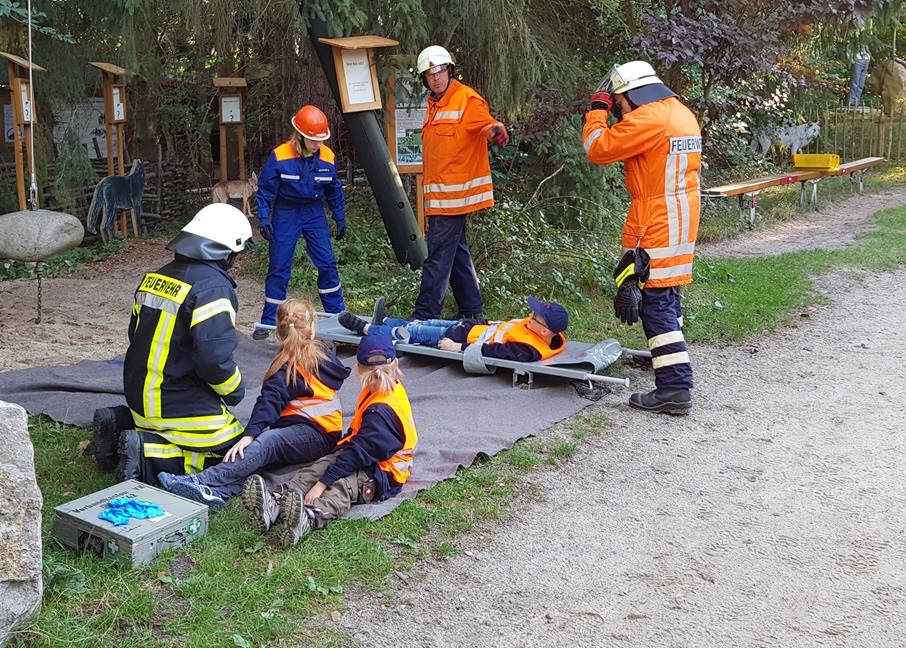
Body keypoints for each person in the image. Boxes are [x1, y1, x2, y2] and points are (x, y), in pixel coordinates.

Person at [90, 203, 255, 483]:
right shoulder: (213, 289)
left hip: (140, 396)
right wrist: (235, 392)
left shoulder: (155, 278)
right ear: (227, 252)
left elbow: (135, 335)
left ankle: (120, 425)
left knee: (191, 431)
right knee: (237, 452)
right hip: (175, 404)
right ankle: (148, 455)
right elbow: (214, 361)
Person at [582, 60, 700, 414]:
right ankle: (665, 359)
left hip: (657, 217)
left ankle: (674, 387)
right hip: (680, 213)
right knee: (668, 292)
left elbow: (597, 148)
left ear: (632, 95)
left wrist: (597, 109)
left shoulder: (649, 117)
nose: (620, 110)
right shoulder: (680, 113)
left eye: (620, 103)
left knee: (655, 301)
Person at [155, 298, 352, 510]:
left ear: (279, 331)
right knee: (258, 457)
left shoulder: (289, 367)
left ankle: (201, 480)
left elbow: (269, 401)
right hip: (321, 433)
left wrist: (250, 434)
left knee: (267, 442)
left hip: (316, 434)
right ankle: (216, 493)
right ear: (312, 328)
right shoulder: (322, 356)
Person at [241, 329, 418, 547]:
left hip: (383, 472)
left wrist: (322, 484)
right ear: (396, 365)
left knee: (345, 486)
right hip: (361, 450)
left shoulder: (381, 411)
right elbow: (357, 449)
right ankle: (276, 502)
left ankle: (308, 517)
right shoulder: (382, 389)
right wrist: (327, 469)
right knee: (319, 467)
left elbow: (358, 455)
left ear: (358, 369)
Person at [410, 45, 509, 321]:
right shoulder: (435, 105)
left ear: (450, 70)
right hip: (440, 196)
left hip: (454, 198)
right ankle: (472, 311)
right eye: (430, 74)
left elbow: (486, 124)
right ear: (424, 79)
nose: (436, 77)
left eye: (440, 71)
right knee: (456, 253)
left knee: (438, 256)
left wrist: (495, 131)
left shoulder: (467, 99)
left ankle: (424, 316)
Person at [252, 105, 347, 340]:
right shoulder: (281, 155)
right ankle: (268, 322)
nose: (318, 144)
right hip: (286, 211)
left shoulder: (327, 156)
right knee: (279, 267)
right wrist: (263, 217)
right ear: (300, 135)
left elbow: (333, 189)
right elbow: (265, 190)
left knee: (327, 264)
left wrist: (339, 215)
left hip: (314, 212)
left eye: (321, 139)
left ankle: (338, 317)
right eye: (313, 140)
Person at [337, 296, 568, 363]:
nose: (530, 315)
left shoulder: (528, 350)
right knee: (421, 324)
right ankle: (386, 321)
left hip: (456, 338)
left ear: (544, 331)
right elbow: (498, 327)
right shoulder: (536, 329)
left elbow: (494, 351)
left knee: (412, 334)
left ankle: (366, 328)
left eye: (535, 316)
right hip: (468, 327)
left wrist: (458, 348)